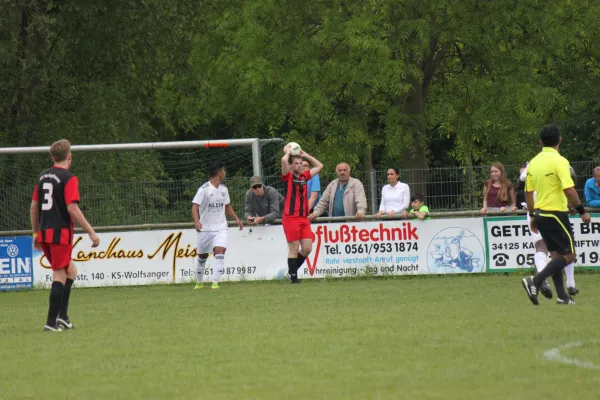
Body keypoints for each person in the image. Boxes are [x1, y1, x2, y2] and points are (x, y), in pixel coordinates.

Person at [30, 139, 100, 332]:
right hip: (60, 234)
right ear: (69, 156)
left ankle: (63, 318)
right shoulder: (69, 178)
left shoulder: (43, 176)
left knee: (71, 271)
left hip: (44, 233)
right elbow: (72, 208)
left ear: (52, 157)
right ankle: (51, 323)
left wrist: (35, 232)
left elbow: (35, 206)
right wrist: (91, 232)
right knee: (59, 274)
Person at [521, 124, 591, 306]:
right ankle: (535, 281)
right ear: (560, 140)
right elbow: (569, 188)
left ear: (540, 142)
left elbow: (529, 192)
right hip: (555, 214)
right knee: (569, 255)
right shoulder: (560, 161)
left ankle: (562, 296)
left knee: (555, 254)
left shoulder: (533, 163)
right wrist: (582, 211)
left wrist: (532, 215)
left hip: (540, 213)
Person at [520, 163, 579, 298]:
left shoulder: (535, 164)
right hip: (553, 211)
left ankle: (545, 280)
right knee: (566, 249)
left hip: (536, 210)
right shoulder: (559, 162)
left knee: (542, 247)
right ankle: (569, 283)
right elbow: (570, 178)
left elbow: (523, 177)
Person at [192, 162, 243, 290]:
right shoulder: (203, 189)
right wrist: (197, 222)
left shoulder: (224, 189)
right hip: (205, 229)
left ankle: (215, 284)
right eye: (224, 171)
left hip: (221, 228)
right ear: (219, 173)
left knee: (220, 251)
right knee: (202, 256)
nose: (225, 173)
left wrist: (236, 219)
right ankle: (199, 283)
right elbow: (194, 207)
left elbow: (227, 206)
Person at [281, 146, 323, 283]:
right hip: (291, 217)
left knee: (307, 248)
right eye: (296, 163)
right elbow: (283, 160)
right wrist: (287, 153)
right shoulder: (288, 176)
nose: (299, 166)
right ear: (291, 165)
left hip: (303, 218)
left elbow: (320, 165)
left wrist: (306, 155)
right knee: (293, 249)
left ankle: (291, 272)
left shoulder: (304, 176)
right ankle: (294, 279)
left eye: (301, 163)